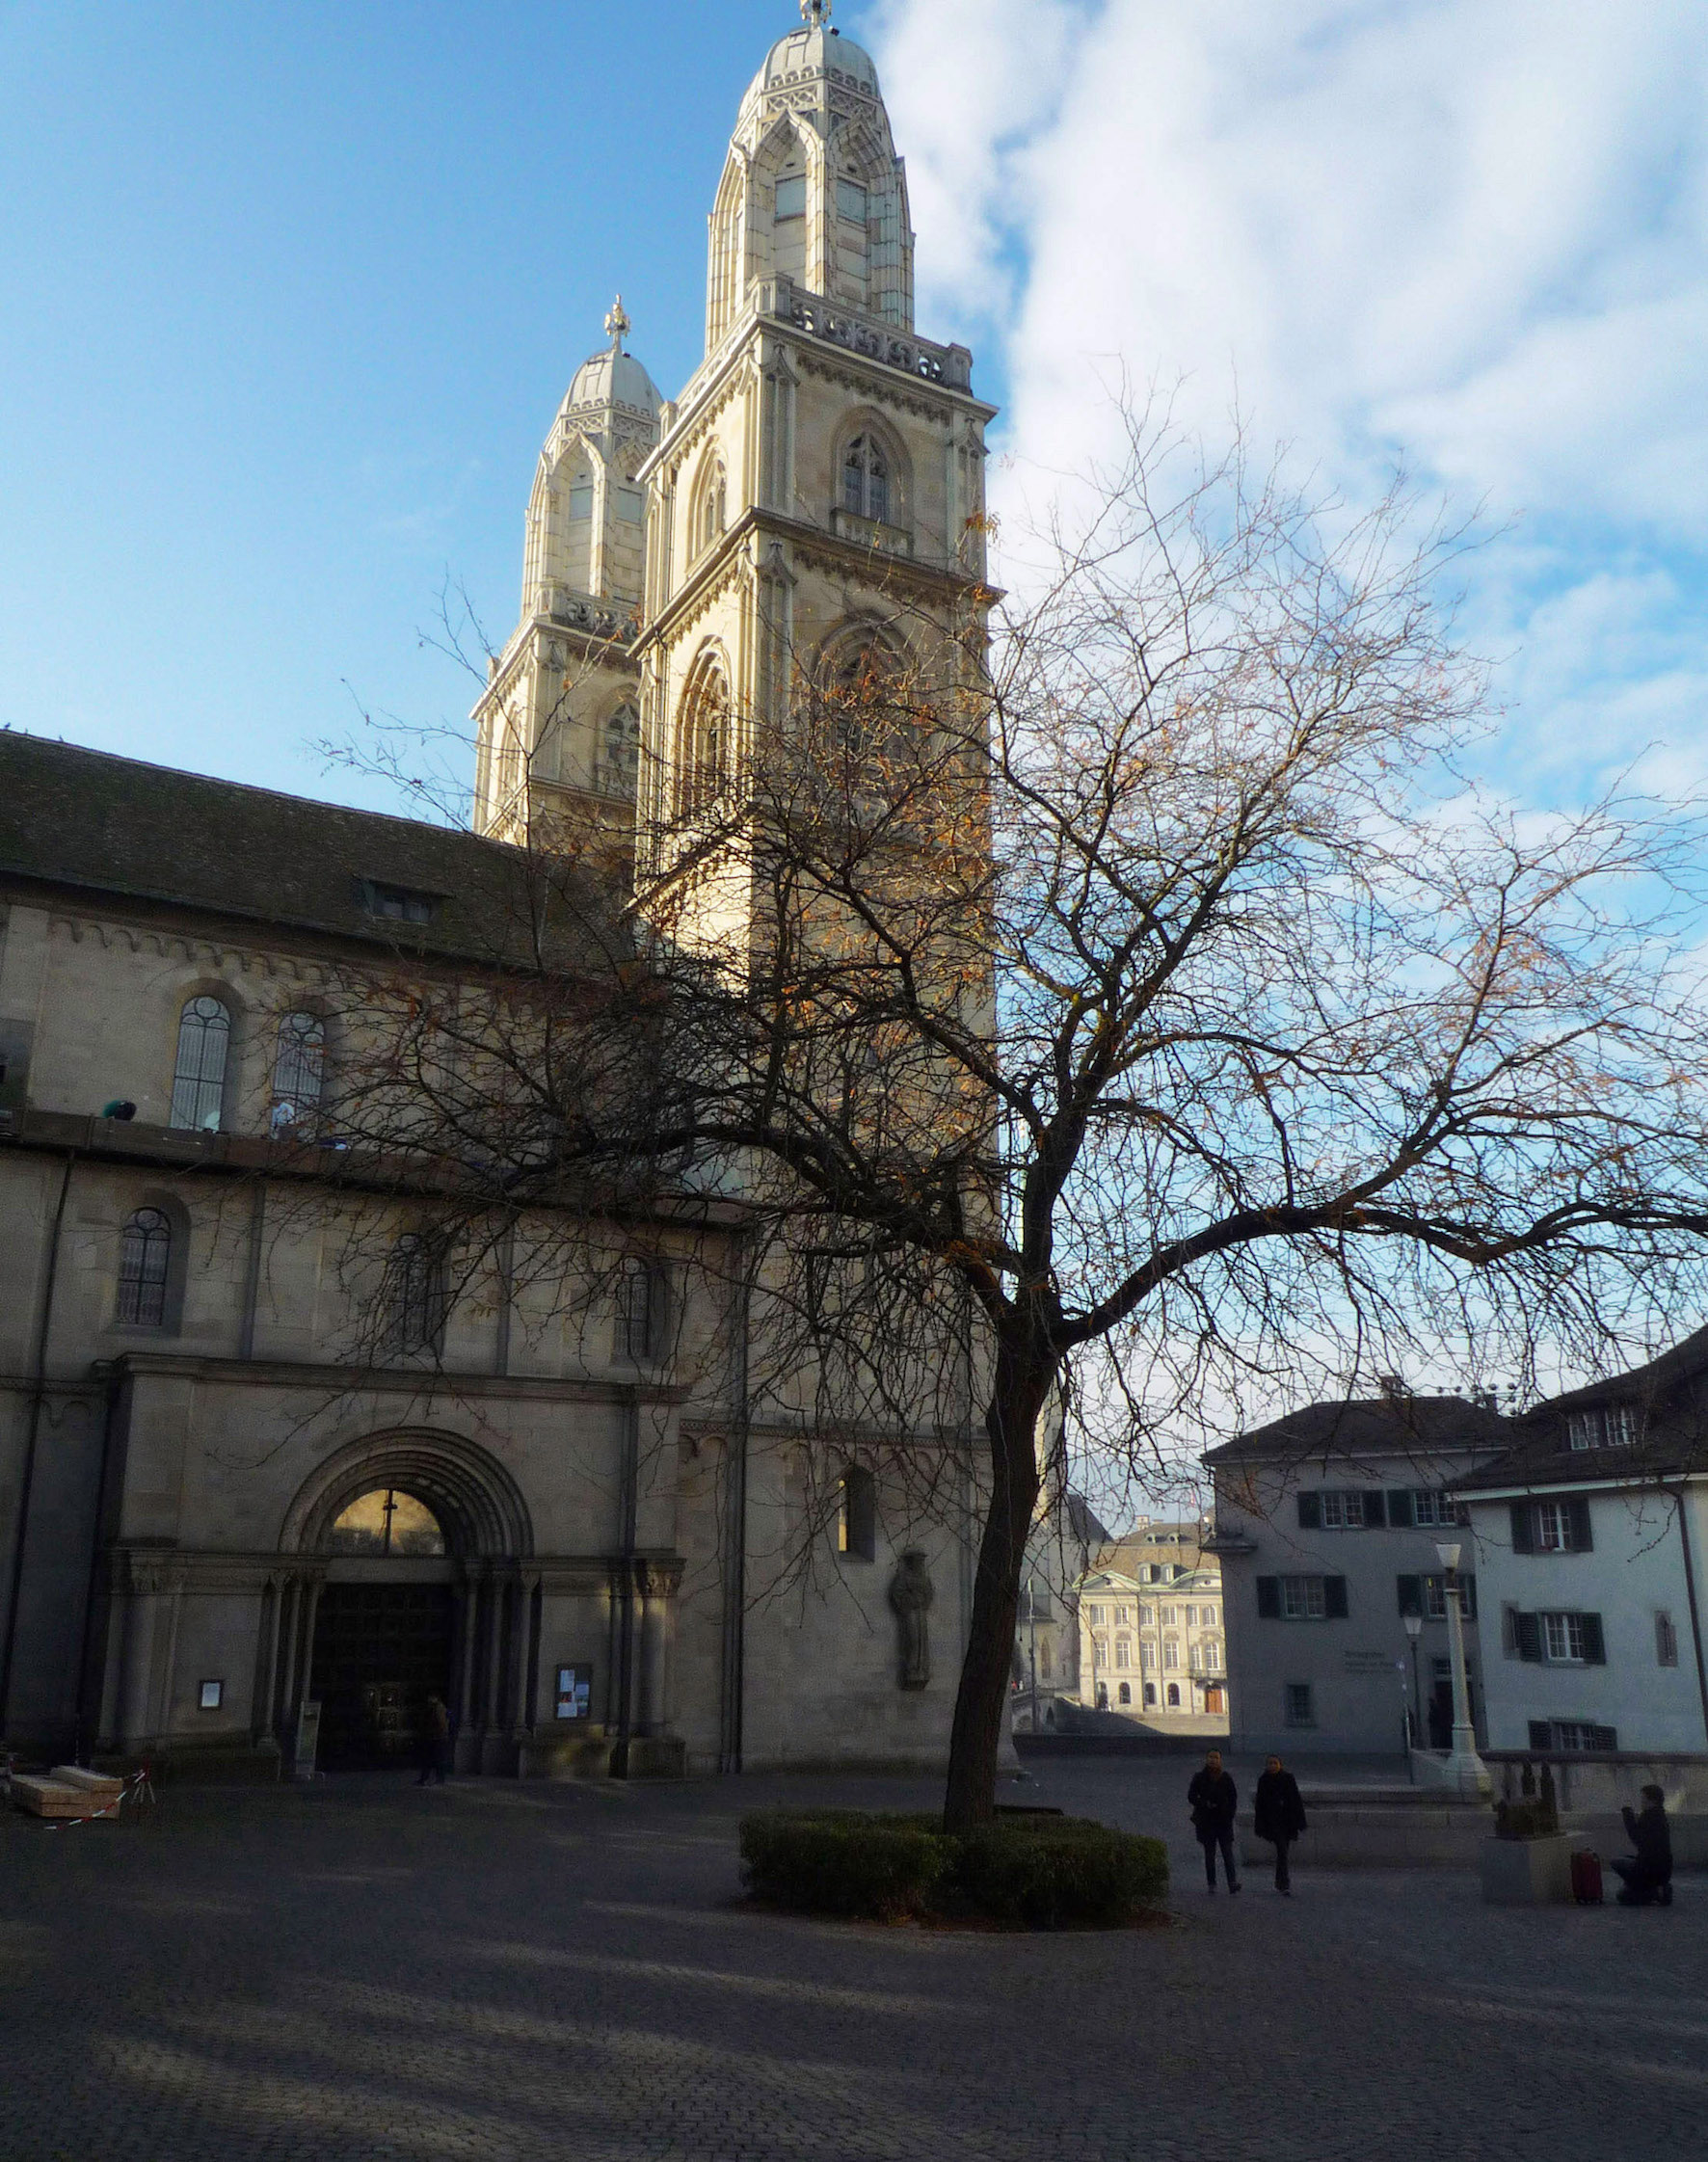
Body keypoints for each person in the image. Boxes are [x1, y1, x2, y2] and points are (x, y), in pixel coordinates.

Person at [1188, 1748, 1241, 1894]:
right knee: (1209, 1854)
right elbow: (1191, 1796)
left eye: (1216, 1757)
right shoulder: (1199, 1777)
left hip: (1223, 1821)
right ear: (1206, 1759)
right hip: (1206, 1821)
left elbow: (1233, 1798)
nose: (1213, 1760)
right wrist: (1204, 1803)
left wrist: (1230, 1813)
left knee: (1227, 1853)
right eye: (1210, 1757)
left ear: (1220, 1760)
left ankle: (1232, 1882)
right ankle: (1212, 1883)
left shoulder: (1226, 1777)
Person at [1253, 1753, 1308, 1893]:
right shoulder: (1263, 1780)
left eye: (1275, 1763)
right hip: (1272, 1822)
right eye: (1270, 1763)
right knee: (1282, 1851)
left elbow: (1296, 1800)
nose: (1272, 1765)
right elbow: (1259, 1804)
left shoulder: (1288, 1779)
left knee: (1283, 1853)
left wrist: (1301, 1822)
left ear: (1280, 1765)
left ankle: (1280, 1881)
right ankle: (1284, 1883)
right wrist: (1259, 1824)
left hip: (1287, 1822)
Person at [1613, 1784, 1673, 1907]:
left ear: (1651, 1800)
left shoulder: (1649, 1817)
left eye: (1643, 1799)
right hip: (1663, 1870)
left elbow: (1636, 1838)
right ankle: (1656, 1889)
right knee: (1626, 1863)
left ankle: (1655, 1892)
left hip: (1649, 1869)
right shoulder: (1660, 1816)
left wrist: (1627, 1814)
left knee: (1616, 1864)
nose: (1641, 1802)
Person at [415, 1693, 452, 1786]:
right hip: (433, 1737)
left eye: (431, 1697)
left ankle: (438, 1779)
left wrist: (440, 1733)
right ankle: (425, 1778)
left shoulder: (439, 1708)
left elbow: (441, 1723)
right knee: (429, 1759)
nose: (429, 1699)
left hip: (438, 1737)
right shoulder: (432, 1708)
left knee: (438, 1759)